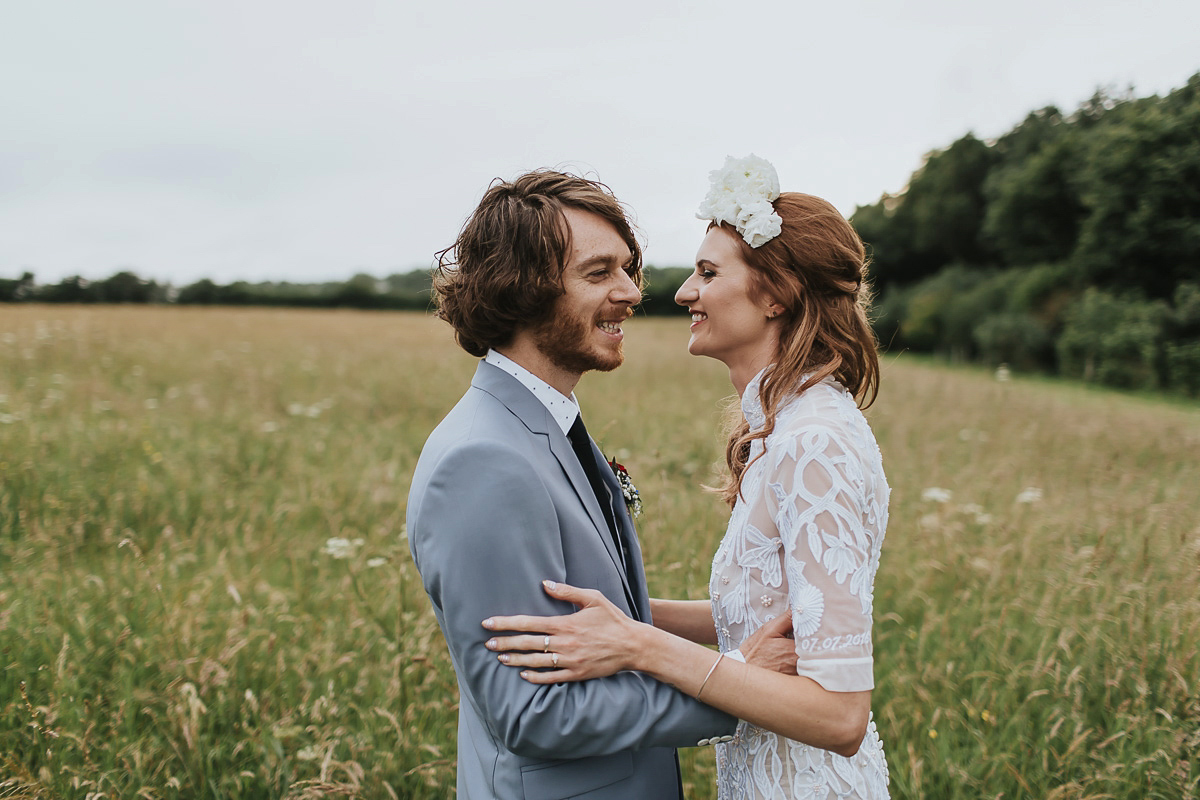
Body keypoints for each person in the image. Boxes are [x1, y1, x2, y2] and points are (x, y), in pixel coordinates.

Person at [485, 155, 892, 799]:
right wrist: (620, 621)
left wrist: (641, 649)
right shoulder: (783, 429)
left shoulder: (816, 445)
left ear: (777, 294)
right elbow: (756, 616)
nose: (681, 293)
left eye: (708, 273)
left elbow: (840, 715)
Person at [406, 168, 797, 800]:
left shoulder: (544, 423)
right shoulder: (483, 461)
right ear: (523, 291)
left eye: (627, 268)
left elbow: (602, 629)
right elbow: (533, 714)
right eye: (598, 273)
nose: (632, 292)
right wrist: (741, 686)